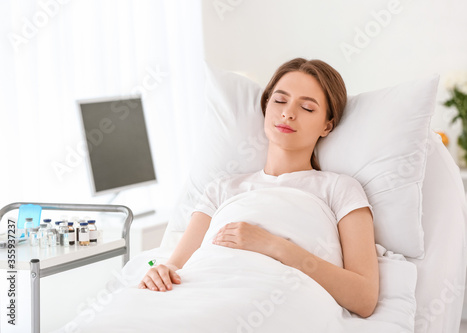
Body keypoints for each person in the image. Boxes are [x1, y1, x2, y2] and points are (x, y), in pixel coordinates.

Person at [139, 58, 379, 318]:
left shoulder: (340, 189)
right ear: (266, 106)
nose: (288, 112)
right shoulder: (222, 189)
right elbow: (176, 266)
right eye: (279, 100)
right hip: (201, 295)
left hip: (275, 302)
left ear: (327, 125)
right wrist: (161, 271)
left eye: (307, 107)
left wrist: (274, 245)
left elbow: (364, 298)